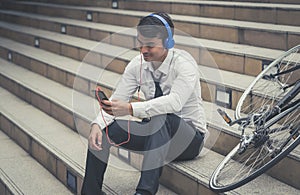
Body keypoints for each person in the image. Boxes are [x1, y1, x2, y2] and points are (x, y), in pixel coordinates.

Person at [81, 12, 207, 195]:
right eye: (140, 44)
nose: (143, 50)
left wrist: (131, 108)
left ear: (168, 42)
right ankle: (90, 192)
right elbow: (118, 100)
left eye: (150, 45)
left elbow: (174, 103)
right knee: (104, 129)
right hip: (156, 137)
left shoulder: (185, 64)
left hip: (188, 140)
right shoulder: (136, 65)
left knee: (161, 117)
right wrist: (96, 124)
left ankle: (144, 192)